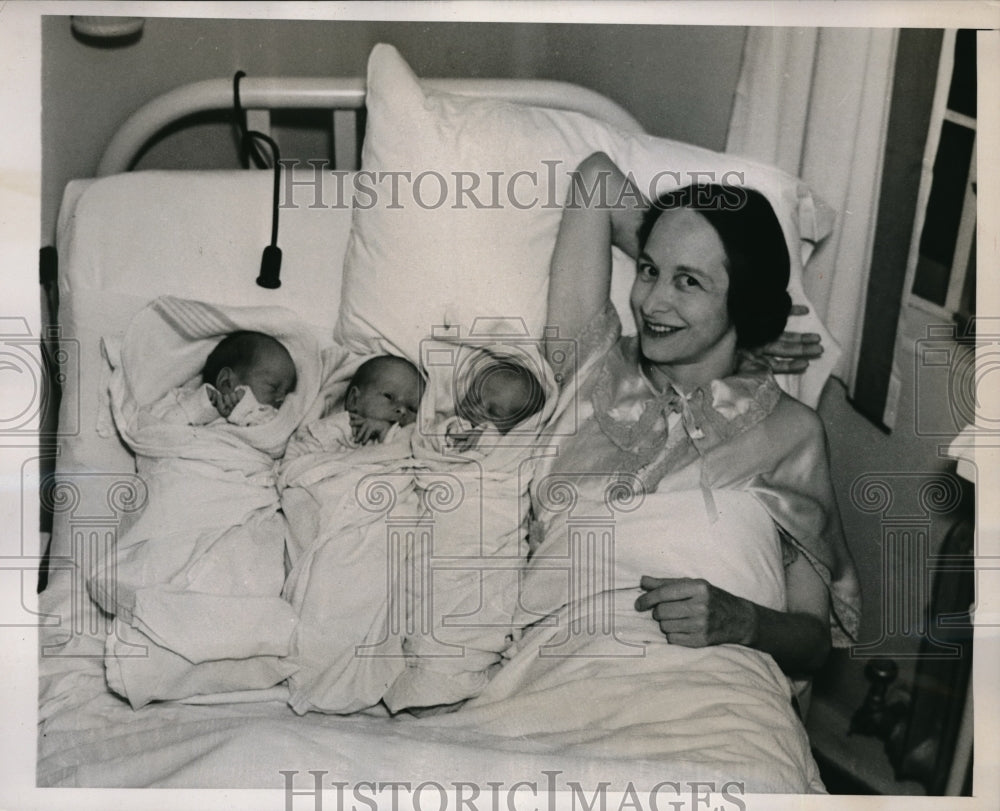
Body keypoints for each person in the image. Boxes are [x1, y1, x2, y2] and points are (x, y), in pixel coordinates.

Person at [532, 151, 861, 677]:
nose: (652, 303)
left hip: (691, 684)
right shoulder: (588, 362)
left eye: (688, 282)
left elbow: (814, 642)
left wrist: (746, 622)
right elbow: (595, 176)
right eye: (648, 272)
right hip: (547, 659)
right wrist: (683, 250)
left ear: (745, 299)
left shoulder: (790, 432)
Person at [144, 330, 297, 427]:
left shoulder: (270, 418)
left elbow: (274, 444)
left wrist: (245, 411)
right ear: (226, 382)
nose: (281, 398)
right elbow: (153, 429)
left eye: (286, 391)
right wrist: (202, 406)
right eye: (273, 387)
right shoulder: (181, 398)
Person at [285, 354, 422, 458]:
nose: (402, 410)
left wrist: (387, 434)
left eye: (412, 408)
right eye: (389, 396)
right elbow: (297, 455)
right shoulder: (337, 426)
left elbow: (406, 456)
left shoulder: (408, 437)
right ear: (354, 399)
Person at [444, 354, 547, 451]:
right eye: (473, 398)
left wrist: (485, 441)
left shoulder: (498, 444)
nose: (475, 410)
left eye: (492, 412)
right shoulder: (447, 414)